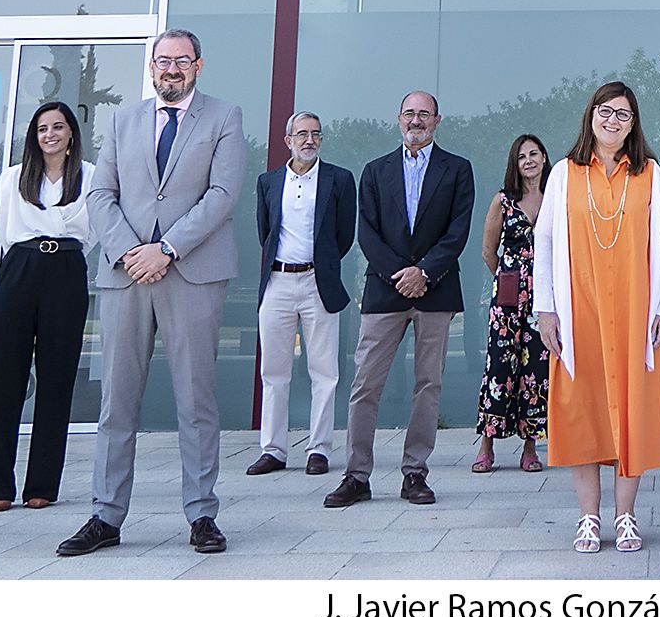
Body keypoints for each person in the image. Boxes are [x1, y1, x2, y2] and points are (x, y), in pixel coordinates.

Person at [57, 29, 245, 558]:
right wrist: (130, 252)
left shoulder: (224, 117)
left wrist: (166, 248)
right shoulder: (121, 120)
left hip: (191, 272)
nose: (171, 69)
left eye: (182, 61)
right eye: (163, 60)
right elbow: (100, 192)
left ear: (198, 67)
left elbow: (223, 194)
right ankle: (106, 515)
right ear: (151, 66)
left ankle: (202, 513)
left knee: (196, 398)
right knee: (117, 402)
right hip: (126, 273)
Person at [534, 82, 660, 552]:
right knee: (584, 413)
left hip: (634, 312)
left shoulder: (650, 174)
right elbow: (546, 243)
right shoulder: (563, 173)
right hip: (580, 312)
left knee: (631, 413)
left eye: (623, 114)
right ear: (590, 115)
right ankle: (589, 519)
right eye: (605, 110)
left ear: (633, 124)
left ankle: (627, 517)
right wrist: (546, 309)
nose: (612, 120)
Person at [324, 90, 475, 509]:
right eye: (409, 113)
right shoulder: (374, 171)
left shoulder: (458, 170)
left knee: (429, 386)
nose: (416, 119)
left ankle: (415, 474)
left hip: (436, 289)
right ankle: (356, 476)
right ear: (398, 118)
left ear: (438, 120)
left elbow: (457, 232)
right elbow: (367, 233)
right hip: (384, 291)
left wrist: (424, 272)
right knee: (364, 385)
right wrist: (401, 275)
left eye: (424, 113)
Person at [0, 101, 94, 512]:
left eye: (58, 127)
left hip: (65, 269)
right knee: (5, 380)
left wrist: (63, 249)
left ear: (71, 134)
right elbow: (5, 234)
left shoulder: (91, 176)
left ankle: (42, 484)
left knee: (57, 380)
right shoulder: (13, 178)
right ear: (34, 136)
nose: (50, 134)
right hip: (19, 270)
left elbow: (91, 230)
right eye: (43, 128)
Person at [246, 110, 356, 478]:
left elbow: (343, 237)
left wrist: (319, 265)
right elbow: (266, 231)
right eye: (302, 134)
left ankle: (319, 449)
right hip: (277, 282)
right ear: (287, 140)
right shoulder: (268, 181)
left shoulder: (339, 179)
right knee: (273, 370)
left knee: (324, 371)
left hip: (317, 282)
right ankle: (273, 449)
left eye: (316, 134)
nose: (310, 140)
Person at [473, 134, 550, 474]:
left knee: (537, 371)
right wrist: (509, 278)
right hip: (507, 300)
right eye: (522, 156)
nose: (529, 160)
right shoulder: (503, 200)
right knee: (500, 369)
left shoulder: (557, 198)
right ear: (515, 164)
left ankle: (530, 448)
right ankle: (487, 444)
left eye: (534, 153)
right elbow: (488, 250)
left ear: (545, 158)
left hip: (546, 298)